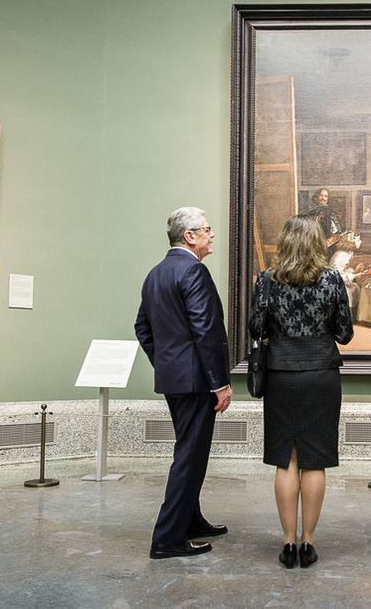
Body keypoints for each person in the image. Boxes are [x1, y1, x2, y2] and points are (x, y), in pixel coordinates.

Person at [248, 215, 353, 569]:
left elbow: (255, 327)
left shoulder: (267, 280)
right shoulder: (332, 279)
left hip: (280, 374)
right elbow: (344, 333)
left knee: (286, 458)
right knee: (314, 459)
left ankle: (288, 543)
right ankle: (308, 542)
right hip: (321, 375)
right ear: (317, 243)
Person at [134, 206, 234, 560]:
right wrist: (219, 383)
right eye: (206, 229)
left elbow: (142, 328)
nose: (211, 235)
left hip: (175, 380)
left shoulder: (155, 274)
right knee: (189, 459)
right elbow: (206, 332)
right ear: (189, 236)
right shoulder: (194, 271)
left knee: (189, 453)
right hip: (196, 383)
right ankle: (167, 538)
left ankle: (191, 521)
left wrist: (167, 363)